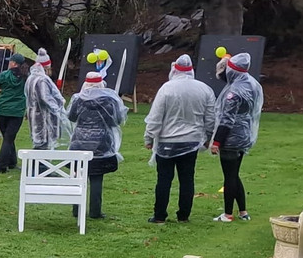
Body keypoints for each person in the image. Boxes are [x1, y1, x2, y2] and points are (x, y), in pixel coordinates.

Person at [144, 54, 216, 223]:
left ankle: (159, 215)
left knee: (163, 180)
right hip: (192, 141)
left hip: (167, 142)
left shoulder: (166, 89)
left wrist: (149, 137)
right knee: (187, 179)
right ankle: (184, 215)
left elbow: (155, 117)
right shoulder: (204, 89)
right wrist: (209, 137)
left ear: (174, 69)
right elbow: (211, 118)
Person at [210, 52, 263, 222]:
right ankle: (243, 212)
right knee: (234, 174)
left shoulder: (233, 92)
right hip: (245, 134)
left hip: (231, 138)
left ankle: (227, 214)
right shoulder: (252, 84)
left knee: (229, 176)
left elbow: (227, 120)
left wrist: (216, 141)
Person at [68, 71, 127, 219]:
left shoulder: (78, 99)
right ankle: (95, 211)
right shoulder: (108, 100)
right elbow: (117, 120)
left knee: (79, 175)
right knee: (96, 177)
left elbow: (71, 117)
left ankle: (76, 209)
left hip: (80, 142)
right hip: (101, 143)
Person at [24, 48, 70, 149]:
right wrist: (58, 105)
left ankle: (39, 163)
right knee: (43, 142)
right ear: (46, 67)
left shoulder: (31, 78)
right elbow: (45, 98)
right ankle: (41, 164)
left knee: (39, 141)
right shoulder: (41, 80)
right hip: (42, 117)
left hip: (34, 114)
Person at [0, 52, 28, 172]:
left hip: (3, 110)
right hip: (17, 111)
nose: (8, 63)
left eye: (10, 61)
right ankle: (11, 163)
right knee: (9, 137)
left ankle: (1, 166)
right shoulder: (26, 76)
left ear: (14, 63)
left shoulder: (5, 75)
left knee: (7, 138)